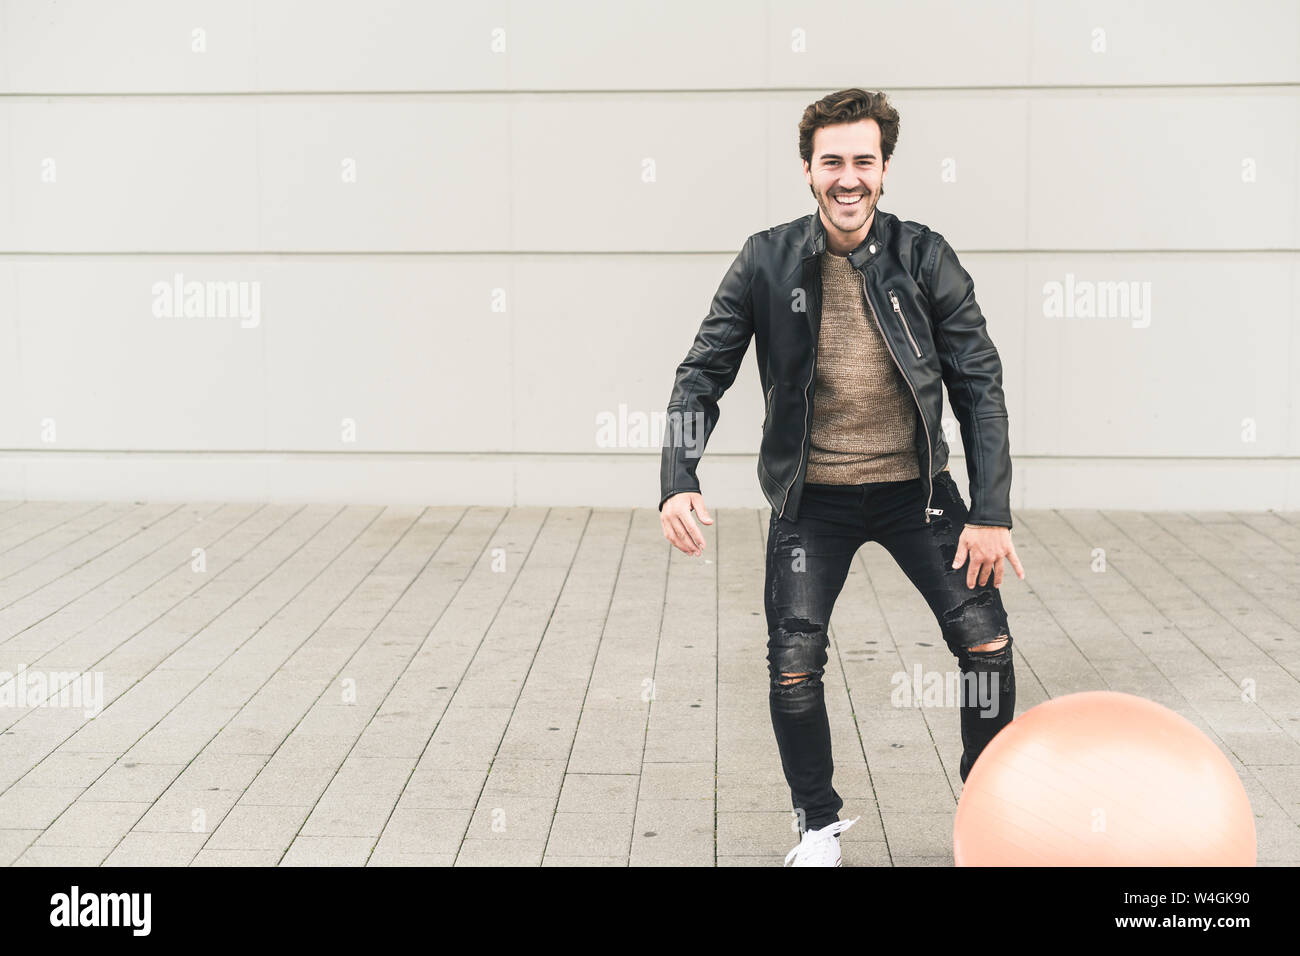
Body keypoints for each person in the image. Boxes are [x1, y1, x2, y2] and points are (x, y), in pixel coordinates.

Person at [658, 89, 1026, 867]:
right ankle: (818, 826)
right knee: (794, 664)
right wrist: (678, 476)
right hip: (811, 500)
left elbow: (978, 386)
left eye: (864, 161)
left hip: (917, 494)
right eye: (833, 162)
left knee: (986, 645)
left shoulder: (925, 256)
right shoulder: (766, 259)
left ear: (885, 170)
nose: (848, 178)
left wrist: (990, 511)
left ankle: (986, 816)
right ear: (808, 170)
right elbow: (701, 374)